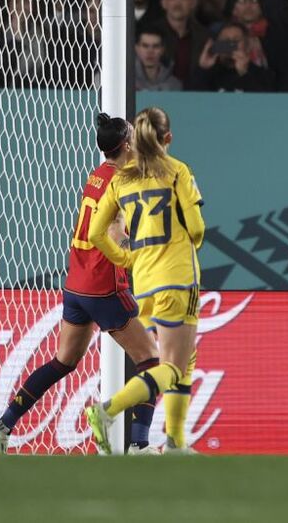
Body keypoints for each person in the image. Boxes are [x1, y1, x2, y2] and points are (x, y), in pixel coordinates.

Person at [0, 114, 160, 455]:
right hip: (102, 284)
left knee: (64, 360)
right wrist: (138, 250)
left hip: (76, 283)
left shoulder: (97, 176)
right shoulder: (123, 181)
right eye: (134, 137)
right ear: (125, 145)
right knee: (151, 359)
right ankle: (139, 444)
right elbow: (112, 232)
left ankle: (2, 425)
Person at [84, 107, 205, 455]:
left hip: (145, 280)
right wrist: (188, 239)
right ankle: (108, 410)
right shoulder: (176, 170)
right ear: (167, 138)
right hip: (178, 277)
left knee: (186, 356)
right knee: (171, 366)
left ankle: (175, 442)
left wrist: (125, 257)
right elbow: (196, 229)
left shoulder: (122, 180)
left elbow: (96, 232)